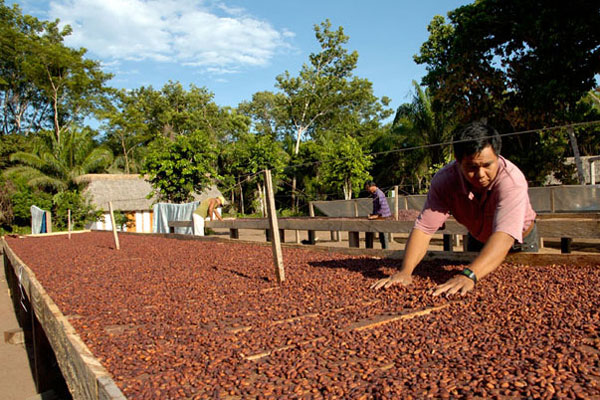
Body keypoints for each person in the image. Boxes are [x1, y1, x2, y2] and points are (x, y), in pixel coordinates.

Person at [371, 121, 538, 296]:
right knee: (474, 295)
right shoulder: (445, 181)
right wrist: (405, 272)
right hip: (478, 239)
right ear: (458, 162)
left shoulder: (511, 181)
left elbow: (504, 236)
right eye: (472, 167)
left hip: (520, 243)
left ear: (497, 156)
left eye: (487, 165)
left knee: (519, 290)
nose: (481, 174)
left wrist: (468, 274)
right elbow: (424, 228)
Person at [366, 181, 392, 249]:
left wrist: (375, 216)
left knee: (383, 235)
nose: (367, 190)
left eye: (367, 188)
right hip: (379, 216)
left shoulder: (379, 194)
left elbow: (382, 208)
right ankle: (370, 250)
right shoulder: (375, 194)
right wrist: (373, 214)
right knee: (380, 235)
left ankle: (385, 251)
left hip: (383, 217)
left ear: (371, 186)